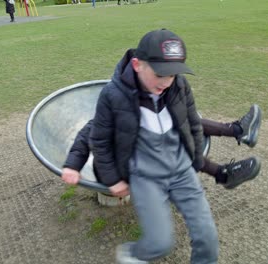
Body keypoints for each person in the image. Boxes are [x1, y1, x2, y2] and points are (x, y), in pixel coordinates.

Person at [90, 29, 219, 263]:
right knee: (160, 244)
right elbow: (99, 140)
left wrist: (197, 160)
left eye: (173, 75)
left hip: (181, 172)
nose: (167, 82)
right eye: (161, 74)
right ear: (138, 65)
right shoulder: (113, 95)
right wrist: (112, 179)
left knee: (208, 238)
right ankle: (132, 253)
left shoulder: (178, 85)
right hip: (146, 177)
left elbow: (193, 123)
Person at [62, 104, 262, 189]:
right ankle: (223, 174)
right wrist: (72, 166)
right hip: (115, 171)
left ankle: (237, 131)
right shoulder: (102, 121)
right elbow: (81, 143)